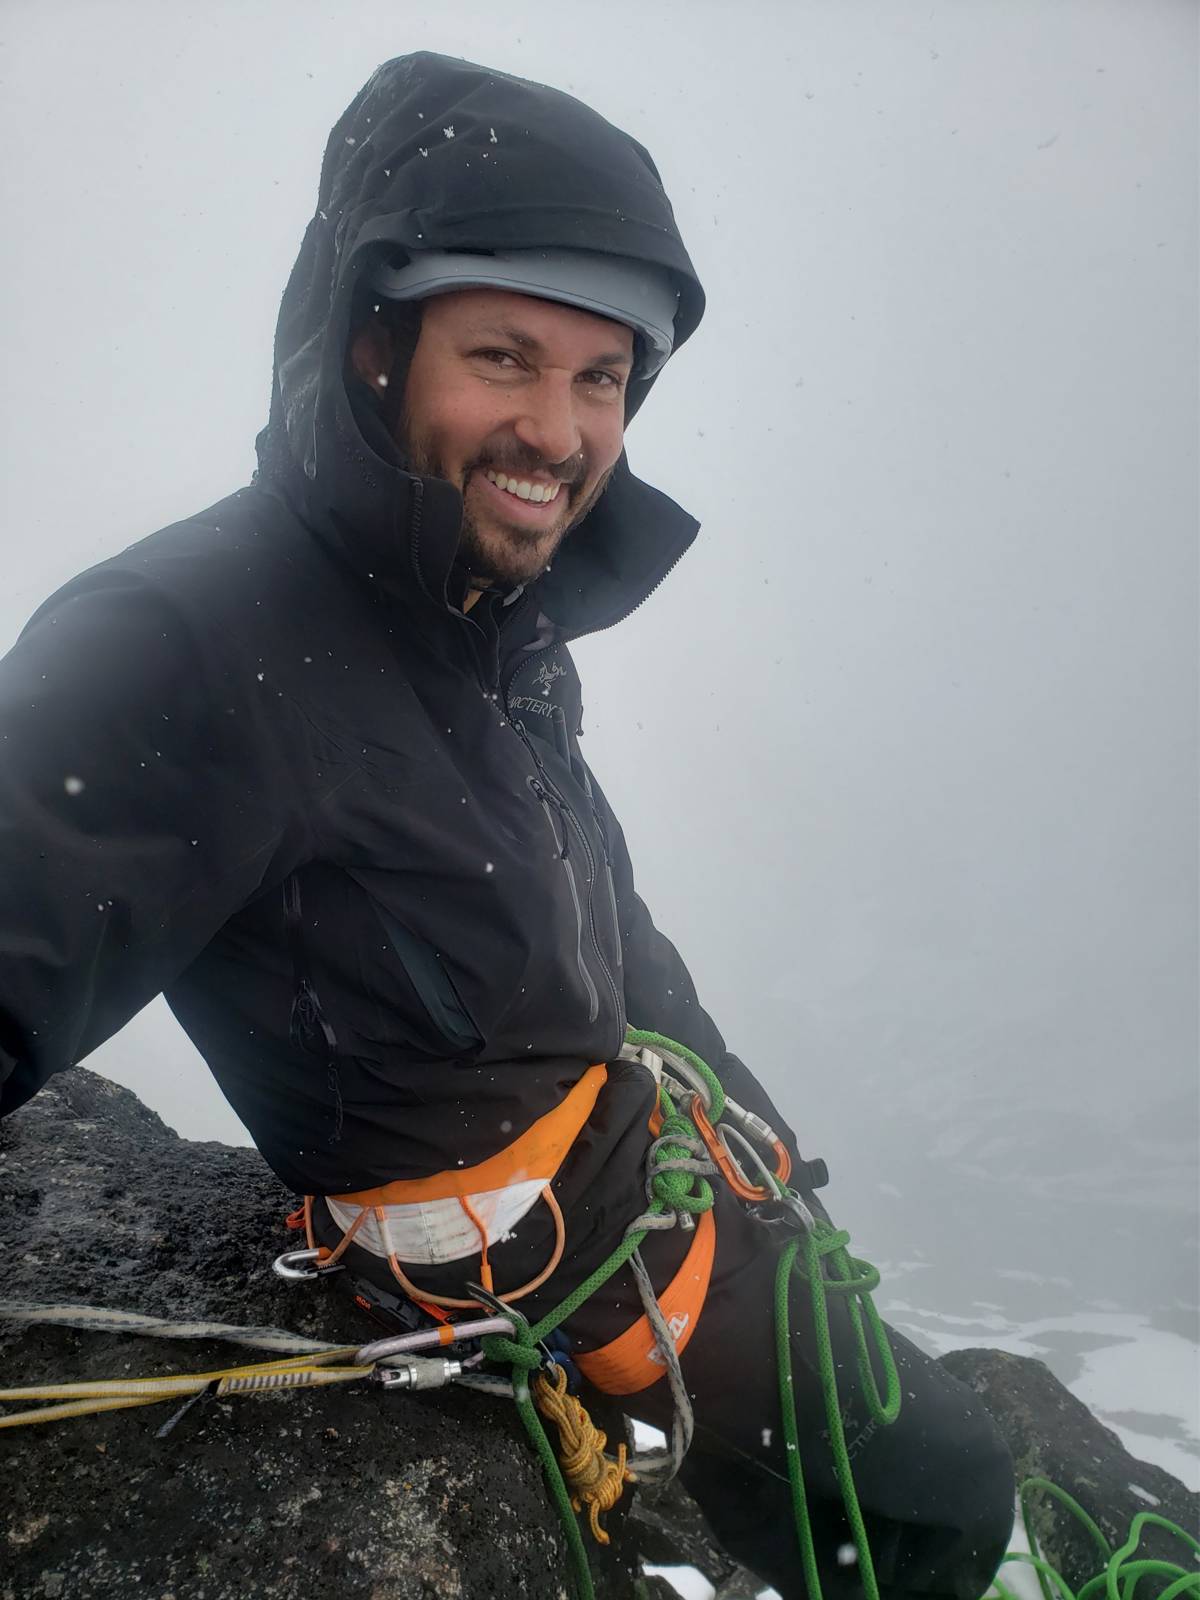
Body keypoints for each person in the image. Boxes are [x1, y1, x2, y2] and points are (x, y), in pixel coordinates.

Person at [0, 53, 1014, 1597]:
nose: (558, 430)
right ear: (370, 347)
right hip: (555, 1255)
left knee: (858, 1478)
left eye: (601, 378)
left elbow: (604, 919)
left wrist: (766, 1146)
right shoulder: (187, 636)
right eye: (503, 357)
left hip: (657, 1177)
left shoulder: (481, 613)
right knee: (949, 1495)